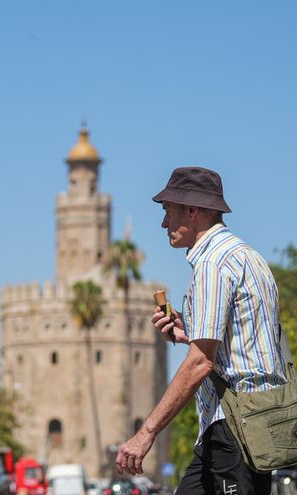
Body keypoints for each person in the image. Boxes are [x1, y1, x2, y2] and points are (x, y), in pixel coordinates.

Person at [115, 167, 288, 495]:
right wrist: (191, 332)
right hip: (255, 424)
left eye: (168, 212)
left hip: (234, 427)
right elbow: (246, 341)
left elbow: (200, 362)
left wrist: (146, 432)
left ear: (192, 211)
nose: (164, 224)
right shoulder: (249, 258)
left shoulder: (212, 264)